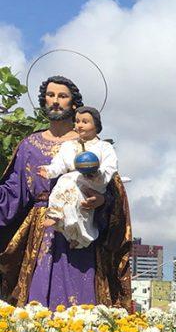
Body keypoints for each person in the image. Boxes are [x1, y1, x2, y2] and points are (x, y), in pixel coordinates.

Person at [0, 75, 131, 309]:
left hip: (81, 224)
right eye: (50, 95)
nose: (55, 101)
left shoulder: (91, 146)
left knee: (81, 298)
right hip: (41, 232)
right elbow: (12, 193)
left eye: (62, 96)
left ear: (74, 104)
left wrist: (101, 200)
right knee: (37, 299)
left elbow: (113, 190)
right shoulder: (29, 145)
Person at [38, 106, 118, 249]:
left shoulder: (104, 147)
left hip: (95, 181)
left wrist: (97, 173)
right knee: (71, 201)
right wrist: (49, 171)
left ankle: (80, 238)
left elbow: (110, 167)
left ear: (96, 125)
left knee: (84, 212)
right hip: (74, 180)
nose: (80, 125)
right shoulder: (68, 146)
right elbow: (59, 163)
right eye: (77, 121)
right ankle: (61, 221)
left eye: (85, 122)